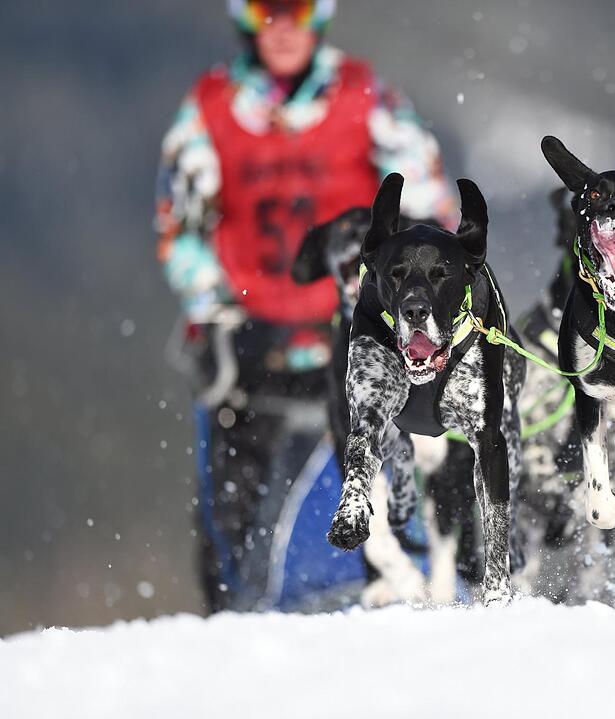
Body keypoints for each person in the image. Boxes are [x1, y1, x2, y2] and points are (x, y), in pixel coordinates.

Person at [155, 0, 456, 612]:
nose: (285, 26)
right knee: (232, 532)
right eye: (269, 9)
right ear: (246, 17)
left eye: (299, 8)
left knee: (388, 505)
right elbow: (176, 228)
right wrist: (215, 307)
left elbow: (430, 210)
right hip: (248, 347)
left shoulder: (367, 100)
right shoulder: (209, 110)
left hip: (356, 338)